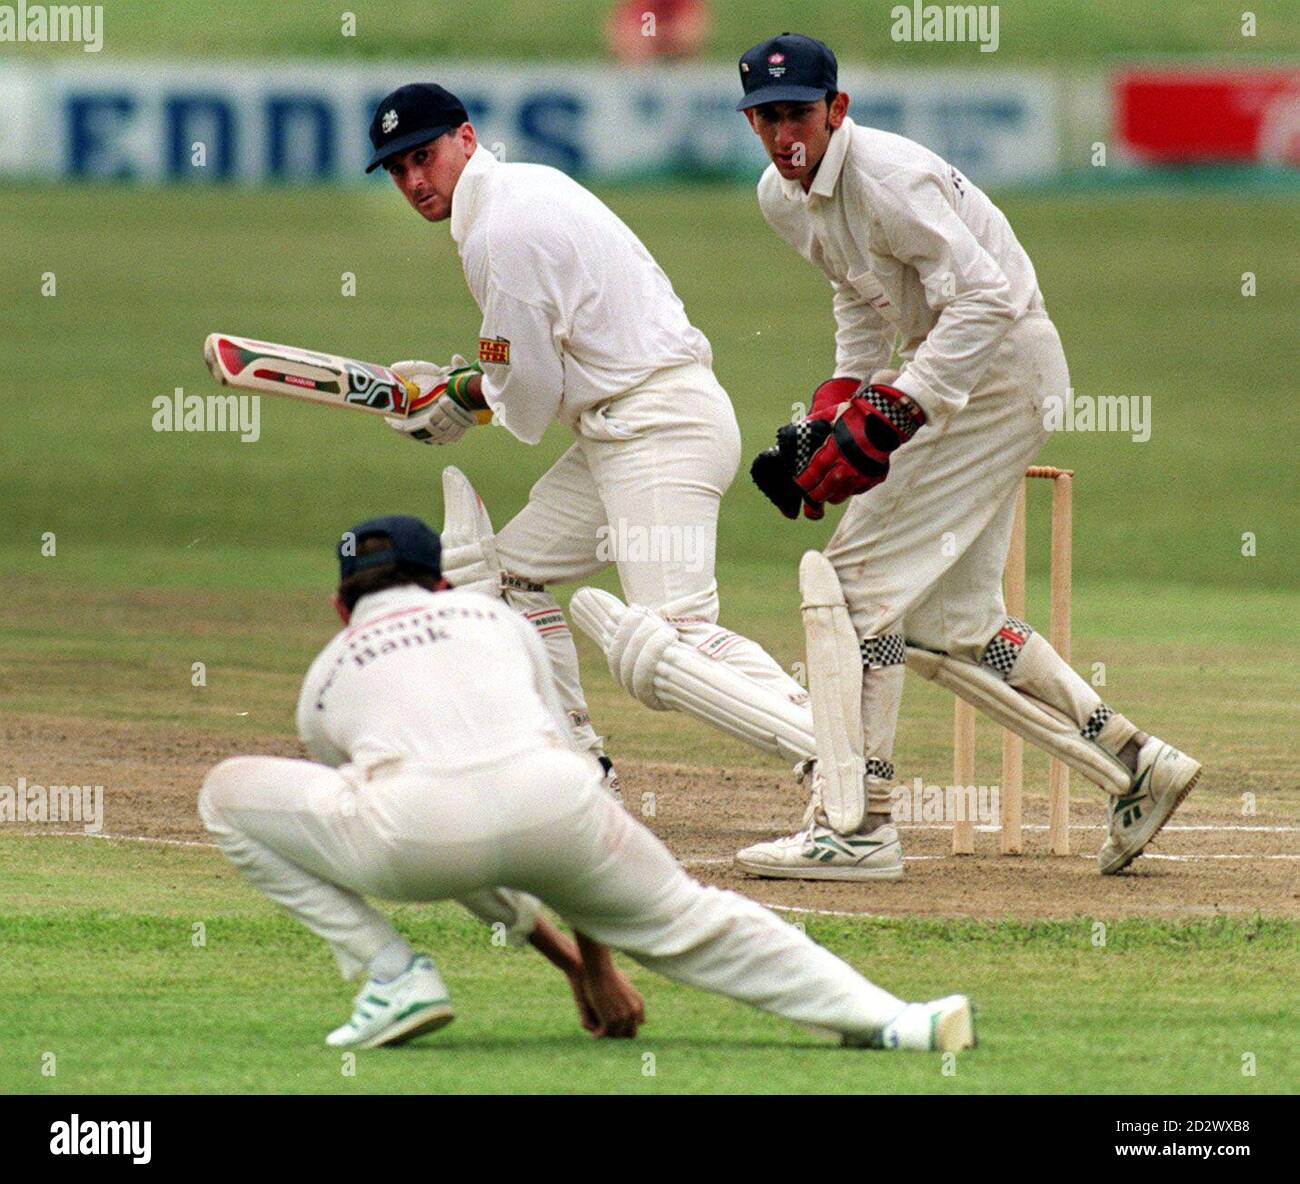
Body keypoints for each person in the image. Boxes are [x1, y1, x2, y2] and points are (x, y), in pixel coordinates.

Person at [197, 515, 976, 1052]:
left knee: (225, 795)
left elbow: (465, 851)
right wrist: (598, 964)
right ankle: (894, 1020)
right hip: (562, 803)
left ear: (341, 606)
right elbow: (564, 774)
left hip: (411, 837)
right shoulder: (495, 622)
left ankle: (394, 976)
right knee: (699, 921)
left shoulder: (326, 680)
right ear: (440, 587)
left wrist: (568, 967)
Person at [727, 32, 1202, 880]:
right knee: (954, 623)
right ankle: (1138, 765)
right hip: (963, 369)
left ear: (837, 110)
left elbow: (986, 297)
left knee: (851, 590)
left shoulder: (887, 179)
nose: (782, 136)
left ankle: (860, 824)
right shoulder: (781, 194)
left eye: (797, 114)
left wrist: (896, 409)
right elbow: (861, 297)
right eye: (765, 119)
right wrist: (839, 406)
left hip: (998, 368)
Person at [363, 81, 813, 795]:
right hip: (629, 425)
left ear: (466, 139)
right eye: (397, 169)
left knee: (674, 638)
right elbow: (536, 363)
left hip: (657, 428)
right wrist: (467, 388)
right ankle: (576, 768)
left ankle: (831, 748)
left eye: (424, 156)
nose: (415, 180)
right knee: (506, 577)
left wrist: (458, 400)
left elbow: (530, 400)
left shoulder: (498, 234)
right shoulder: (522, 191)